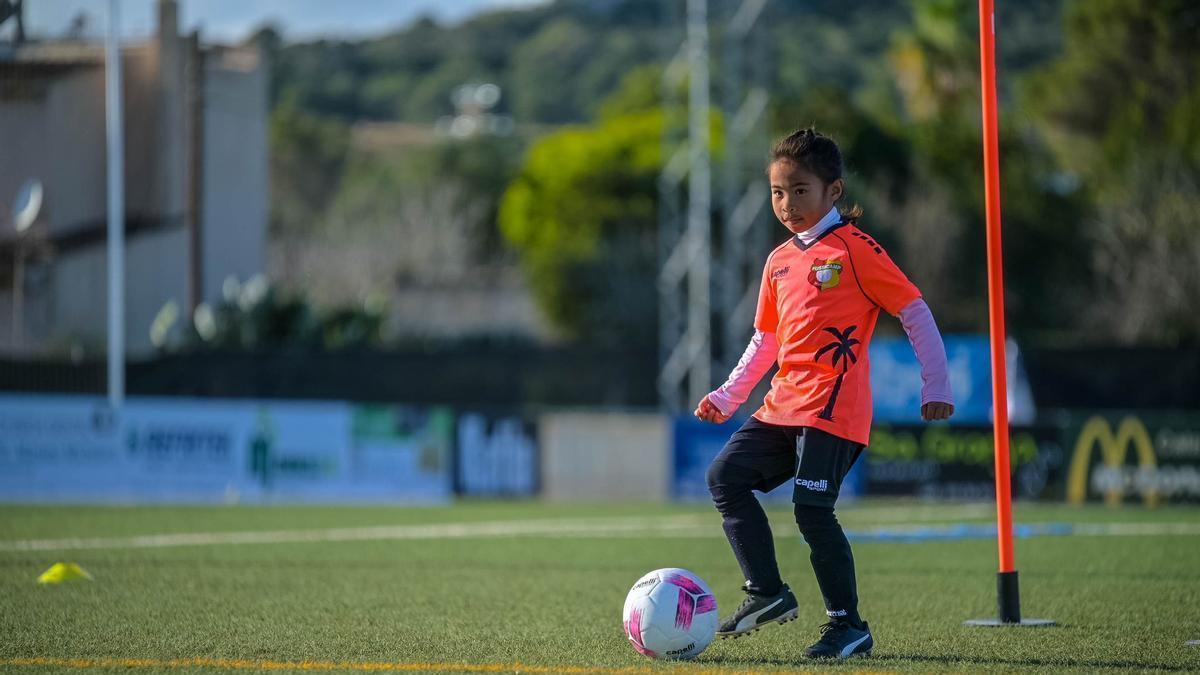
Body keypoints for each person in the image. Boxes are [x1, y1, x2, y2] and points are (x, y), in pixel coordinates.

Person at [695, 128, 954, 659]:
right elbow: (767, 339)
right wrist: (728, 395)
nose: (787, 204)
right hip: (783, 404)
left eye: (800, 190)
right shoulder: (779, 261)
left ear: (833, 192)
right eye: (777, 192)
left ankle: (848, 626)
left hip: (834, 410)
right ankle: (767, 592)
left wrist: (937, 381)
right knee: (725, 477)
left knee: (812, 510)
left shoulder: (856, 250)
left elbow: (913, 308)